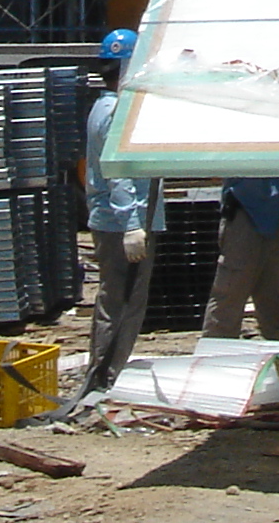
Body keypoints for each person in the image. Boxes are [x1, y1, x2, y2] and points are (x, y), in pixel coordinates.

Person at [74, 28, 163, 405]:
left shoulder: (106, 107)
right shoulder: (115, 113)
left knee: (119, 300)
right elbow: (119, 171)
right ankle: (105, 377)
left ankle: (108, 372)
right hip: (121, 224)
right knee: (122, 302)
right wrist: (132, 226)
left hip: (119, 220)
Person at [201, 176, 279, 341]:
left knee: (275, 297)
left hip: (276, 222)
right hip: (243, 218)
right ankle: (215, 356)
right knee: (230, 295)